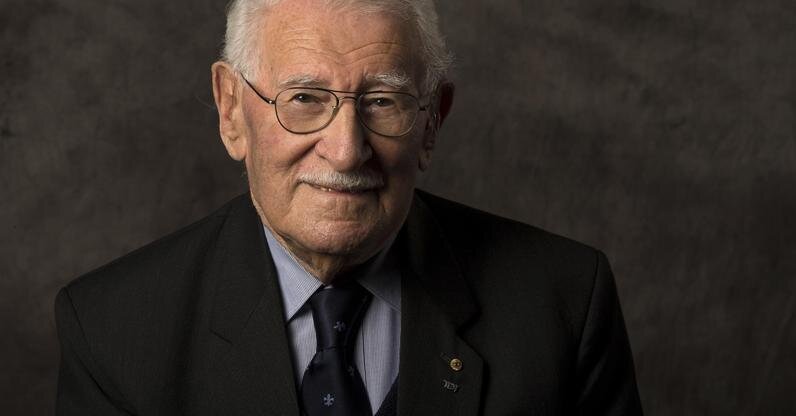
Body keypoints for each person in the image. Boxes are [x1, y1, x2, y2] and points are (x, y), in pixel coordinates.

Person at [55, 0, 643, 414]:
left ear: (432, 122)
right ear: (231, 110)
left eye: (383, 100)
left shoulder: (564, 304)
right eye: (304, 98)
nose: (345, 150)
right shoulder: (113, 330)